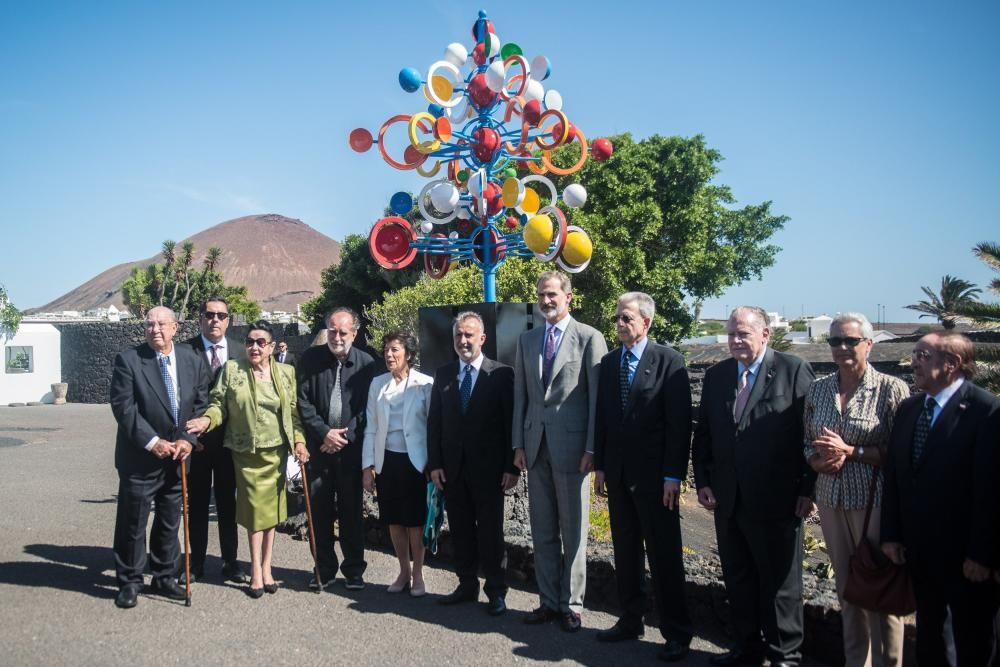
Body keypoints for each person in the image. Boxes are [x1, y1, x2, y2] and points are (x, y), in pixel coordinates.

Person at [692, 306, 816, 666]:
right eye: (731, 333)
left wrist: (807, 490)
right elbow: (705, 436)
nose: (735, 340)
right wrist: (703, 482)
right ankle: (746, 648)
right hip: (729, 500)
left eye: (743, 333)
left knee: (780, 584)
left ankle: (785, 656)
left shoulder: (793, 371)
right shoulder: (717, 375)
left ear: (765, 335)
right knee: (739, 578)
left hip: (777, 500)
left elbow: (809, 436)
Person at [881, 332, 1000, 666]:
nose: (913, 363)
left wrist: (982, 554)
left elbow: (990, 489)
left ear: (952, 364)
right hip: (919, 551)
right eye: (914, 355)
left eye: (923, 355)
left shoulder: (985, 411)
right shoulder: (909, 409)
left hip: (965, 556)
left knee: (973, 638)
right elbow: (895, 476)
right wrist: (891, 534)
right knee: (930, 635)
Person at [803, 313, 908, 667]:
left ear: (869, 344)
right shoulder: (819, 389)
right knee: (848, 591)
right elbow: (806, 442)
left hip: (873, 502)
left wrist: (853, 452)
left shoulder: (891, 389)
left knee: (880, 590)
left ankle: (888, 663)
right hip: (831, 499)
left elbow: (901, 452)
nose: (842, 348)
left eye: (850, 341)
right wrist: (816, 461)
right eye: (835, 341)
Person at [593, 292, 693, 662]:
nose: (619, 324)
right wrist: (601, 466)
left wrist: (673, 476)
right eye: (618, 317)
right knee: (626, 552)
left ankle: (677, 632)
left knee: (665, 556)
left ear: (646, 323)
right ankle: (630, 619)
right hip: (618, 475)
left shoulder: (669, 362)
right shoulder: (608, 363)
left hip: (656, 480)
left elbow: (679, 426)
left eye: (627, 318)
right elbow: (604, 420)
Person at [512, 271, 608, 632]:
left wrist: (592, 448)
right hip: (535, 447)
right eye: (541, 295)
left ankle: (572, 605)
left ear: (569, 296)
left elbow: (597, 400)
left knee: (574, 531)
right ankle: (548, 602)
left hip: (573, 451)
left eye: (552, 294)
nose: (546, 300)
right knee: (543, 531)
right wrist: (517, 444)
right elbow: (521, 395)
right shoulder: (528, 340)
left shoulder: (589, 338)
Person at [185, 320, 306, 598]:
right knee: (255, 512)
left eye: (261, 342)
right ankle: (255, 571)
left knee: (273, 513)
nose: (254, 347)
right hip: (245, 453)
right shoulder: (232, 370)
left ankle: (267, 568)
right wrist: (206, 420)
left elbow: (293, 414)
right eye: (250, 341)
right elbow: (218, 404)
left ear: (272, 347)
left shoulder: (286, 373)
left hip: (276, 452)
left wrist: (299, 442)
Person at [109, 306, 211, 609]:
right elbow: (124, 408)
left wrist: (189, 439)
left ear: (175, 328)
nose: (155, 329)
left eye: (161, 324)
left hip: (178, 458)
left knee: (169, 520)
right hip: (141, 458)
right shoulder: (129, 361)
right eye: (150, 324)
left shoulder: (192, 360)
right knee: (133, 521)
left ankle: (165, 577)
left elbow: (201, 404)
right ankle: (129, 580)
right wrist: (152, 442)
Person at [428, 312, 518, 616]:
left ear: (482, 339)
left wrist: (512, 467)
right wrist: (435, 464)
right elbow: (435, 423)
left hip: (491, 471)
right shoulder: (443, 375)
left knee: (491, 533)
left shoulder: (502, 374)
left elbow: (510, 425)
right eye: (458, 336)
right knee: (461, 530)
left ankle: (496, 590)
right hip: (453, 469)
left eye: (469, 335)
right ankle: (466, 585)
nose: (463, 341)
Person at [296, 307, 377, 590]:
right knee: (319, 514)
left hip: (351, 454)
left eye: (343, 332)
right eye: (332, 330)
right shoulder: (310, 359)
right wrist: (324, 433)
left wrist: (345, 437)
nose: (337, 336)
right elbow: (302, 401)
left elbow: (369, 408)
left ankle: (354, 570)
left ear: (354, 333)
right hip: (319, 452)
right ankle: (324, 569)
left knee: (351, 514)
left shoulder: (368, 364)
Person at [362, 330, 434, 596]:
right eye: (386, 350)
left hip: (416, 461)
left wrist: (433, 463)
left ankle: (418, 574)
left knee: (415, 520)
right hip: (387, 460)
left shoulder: (425, 384)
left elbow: (433, 427)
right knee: (393, 519)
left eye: (395, 350)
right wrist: (367, 466)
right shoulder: (377, 384)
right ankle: (403, 571)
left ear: (409, 354)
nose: (389, 355)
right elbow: (370, 428)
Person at [181, 296, 247, 584]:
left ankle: (231, 561)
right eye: (209, 314)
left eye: (221, 315)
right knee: (195, 504)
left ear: (228, 320)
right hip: (195, 444)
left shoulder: (241, 352)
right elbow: (181, 398)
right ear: (200, 318)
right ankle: (195, 563)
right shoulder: (184, 352)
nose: (215, 320)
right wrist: (186, 435)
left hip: (229, 444)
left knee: (227, 505)